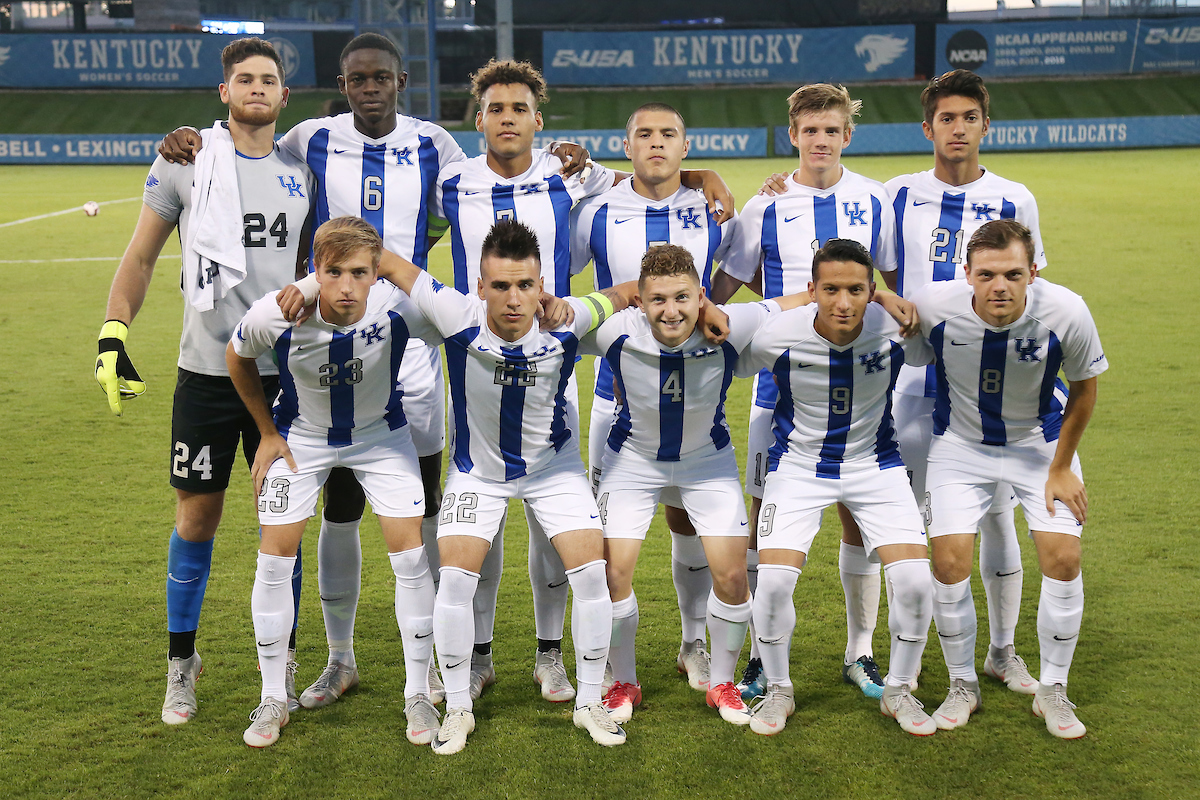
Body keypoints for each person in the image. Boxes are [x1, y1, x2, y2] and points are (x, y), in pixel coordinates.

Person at [157, 35, 592, 710]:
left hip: (413, 348)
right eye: (357, 77)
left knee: (430, 510)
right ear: (342, 82)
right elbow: (249, 142)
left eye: (380, 77)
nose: (369, 86)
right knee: (340, 506)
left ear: (402, 81)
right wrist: (195, 136)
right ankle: (340, 658)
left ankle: (457, 660)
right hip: (332, 332)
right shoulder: (312, 138)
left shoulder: (439, 151)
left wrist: (666, 172)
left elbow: (511, 180)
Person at [433, 59, 737, 703]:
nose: (508, 118)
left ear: (537, 121)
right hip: (476, 367)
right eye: (496, 108)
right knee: (478, 515)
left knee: (558, 520)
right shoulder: (450, 181)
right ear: (479, 118)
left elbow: (646, 176)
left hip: (554, 367)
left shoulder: (570, 179)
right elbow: (409, 237)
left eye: (520, 109)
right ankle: (479, 654)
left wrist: (703, 176)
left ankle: (551, 654)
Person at [96, 38, 313, 725]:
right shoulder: (186, 159)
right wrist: (113, 332)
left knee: (283, 525)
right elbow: (140, 255)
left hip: (285, 377)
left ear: (285, 98)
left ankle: (283, 662)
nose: (256, 87)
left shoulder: (306, 168)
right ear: (224, 92)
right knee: (197, 516)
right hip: (204, 373)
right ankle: (180, 663)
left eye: (268, 80)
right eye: (243, 78)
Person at [710, 83, 900, 701]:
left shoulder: (877, 199)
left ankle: (860, 651)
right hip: (780, 389)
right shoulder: (764, 207)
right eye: (809, 130)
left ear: (848, 134)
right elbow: (727, 288)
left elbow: (891, 286)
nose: (820, 141)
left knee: (856, 518)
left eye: (832, 130)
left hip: (864, 390)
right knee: (770, 522)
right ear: (792, 134)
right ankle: (768, 661)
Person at [226, 217, 438, 747]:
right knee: (274, 558)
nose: (347, 287)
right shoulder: (278, 314)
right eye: (333, 272)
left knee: (411, 557)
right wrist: (267, 433)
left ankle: (418, 690)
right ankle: (274, 695)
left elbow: (463, 323)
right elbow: (237, 355)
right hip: (302, 438)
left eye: (361, 273)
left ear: (377, 273)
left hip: (382, 438)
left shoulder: (401, 307)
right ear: (313, 271)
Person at [586, 244, 805, 727]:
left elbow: (792, 302)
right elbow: (563, 319)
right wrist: (610, 296)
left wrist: (883, 300)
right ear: (640, 303)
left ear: (701, 296)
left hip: (707, 464)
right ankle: (623, 679)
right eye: (658, 299)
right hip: (632, 463)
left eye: (683, 298)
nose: (671, 310)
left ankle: (722, 683)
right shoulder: (617, 332)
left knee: (731, 578)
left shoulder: (731, 324)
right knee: (612, 574)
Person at [886, 70, 1050, 700]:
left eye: (969, 118)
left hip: (990, 385)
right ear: (927, 128)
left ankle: (1002, 652)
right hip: (914, 377)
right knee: (919, 519)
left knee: (997, 517)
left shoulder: (1016, 197)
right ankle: (918, 652)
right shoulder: (897, 193)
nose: (958, 129)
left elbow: (1026, 289)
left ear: (987, 124)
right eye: (946, 119)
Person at [911, 219, 1105, 738]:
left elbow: (1084, 389)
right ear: (967, 274)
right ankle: (961, 683)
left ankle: (1053, 690)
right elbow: (891, 334)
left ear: (1033, 272)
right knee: (949, 560)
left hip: (1039, 446)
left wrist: (1061, 466)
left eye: (1014, 274)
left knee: (1063, 558)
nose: (1001, 286)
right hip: (960, 446)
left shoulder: (1067, 312)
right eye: (988, 275)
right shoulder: (934, 307)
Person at [735, 239, 936, 737]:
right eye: (830, 290)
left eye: (855, 290)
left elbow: (935, 340)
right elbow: (729, 365)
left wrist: (892, 301)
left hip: (877, 464)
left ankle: (899, 690)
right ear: (812, 291)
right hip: (799, 467)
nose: (842, 303)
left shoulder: (896, 330)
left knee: (914, 582)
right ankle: (779, 689)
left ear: (872, 292)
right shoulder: (778, 334)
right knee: (775, 581)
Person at [571, 102, 740, 693]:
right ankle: (615, 673)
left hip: (691, 397)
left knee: (685, 519)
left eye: (669, 134)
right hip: (615, 401)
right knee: (611, 542)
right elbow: (569, 291)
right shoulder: (595, 212)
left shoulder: (712, 206)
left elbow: (734, 277)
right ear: (627, 144)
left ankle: (694, 644)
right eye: (644, 134)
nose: (657, 144)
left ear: (686, 147)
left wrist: (704, 314)